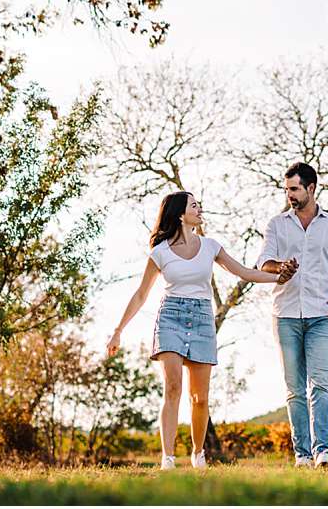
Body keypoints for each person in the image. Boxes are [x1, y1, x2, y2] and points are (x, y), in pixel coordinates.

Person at [107, 191, 290, 470]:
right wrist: (119, 329)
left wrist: (279, 277)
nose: (200, 208)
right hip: (171, 318)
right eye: (195, 205)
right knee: (172, 388)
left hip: (203, 318)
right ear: (181, 214)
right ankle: (167, 458)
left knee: (200, 397)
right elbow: (141, 295)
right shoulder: (160, 252)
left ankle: (198, 452)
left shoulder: (210, 246)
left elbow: (245, 272)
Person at [258, 162, 328, 468]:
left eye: (294, 189)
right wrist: (281, 268)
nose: (289, 194)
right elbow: (265, 262)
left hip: (322, 314)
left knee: (320, 384)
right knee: (294, 389)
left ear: (311, 188)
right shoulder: (277, 224)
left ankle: (323, 453)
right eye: (286, 189)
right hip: (286, 314)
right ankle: (302, 455)